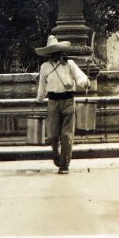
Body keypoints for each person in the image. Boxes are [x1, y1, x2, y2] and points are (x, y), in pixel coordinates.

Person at [35, 35, 90, 174]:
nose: (56, 55)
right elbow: (42, 86)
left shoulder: (69, 64)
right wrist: (39, 99)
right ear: (49, 54)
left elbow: (79, 76)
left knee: (66, 135)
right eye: (53, 53)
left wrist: (85, 82)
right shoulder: (45, 67)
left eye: (57, 52)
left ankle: (64, 164)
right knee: (53, 135)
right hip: (53, 102)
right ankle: (55, 153)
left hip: (68, 101)